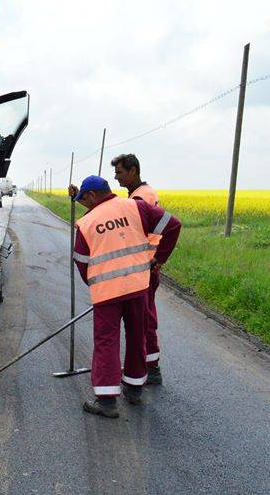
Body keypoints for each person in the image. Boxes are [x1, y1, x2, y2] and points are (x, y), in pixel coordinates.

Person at [72, 176, 181, 418]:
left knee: (106, 342)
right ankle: (134, 389)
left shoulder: (88, 222)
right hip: (138, 285)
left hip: (107, 293)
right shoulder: (136, 207)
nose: (83, 206)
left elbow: (81, 261)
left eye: (83, 200)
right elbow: (173, 225)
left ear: (91, 195)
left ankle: (107, 402)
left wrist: (95, 283)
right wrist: (158, 259)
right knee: (136, 335)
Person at [110, 153, 165, 384]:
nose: (116, 177)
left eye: (120, 172)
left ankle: (151, 370)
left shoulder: (141, 198)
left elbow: (161, 225)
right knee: (145, 317)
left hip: (145, 266)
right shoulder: (142, 193)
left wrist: (152, 257)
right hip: (147, 263)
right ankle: (150, 367)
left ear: (133, 171)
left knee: (144, 320)